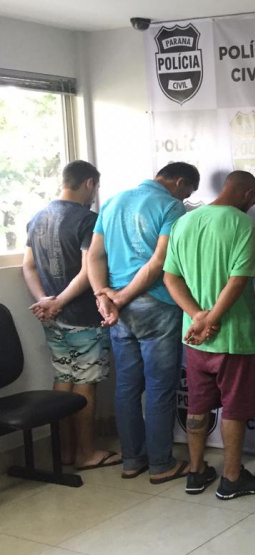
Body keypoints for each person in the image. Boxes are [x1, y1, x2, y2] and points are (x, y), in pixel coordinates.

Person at [162, 170, 255, 500]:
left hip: (194, 337)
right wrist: (211, 319)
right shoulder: (242, 224)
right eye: (253, 198)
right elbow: (238, 281)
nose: (252, 204)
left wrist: (198, 317)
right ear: (247, 193)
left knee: (197, 405)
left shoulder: (183, 222)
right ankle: (232, 478)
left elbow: (170, 278)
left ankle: (196, 472)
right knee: (234, 409)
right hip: (233, 337)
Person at [88, 162, 199, 483]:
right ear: (179, 182)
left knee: (127, 386)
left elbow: (94, 256)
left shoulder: (112, 202)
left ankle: (132, 460)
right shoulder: (171, 207)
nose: (185, 198)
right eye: (187, 192)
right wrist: (118, 298)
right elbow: (159, 262)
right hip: (156, 305)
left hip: (118, 309)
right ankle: (161, 464)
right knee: (160, 388)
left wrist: (103, 296)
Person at [22, 160, 121, 471]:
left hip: (52, 319)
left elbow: (28, 266)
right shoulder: (88, 219)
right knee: (86, 383)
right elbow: (89, 270)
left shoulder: (37, 218)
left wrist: (45, 301)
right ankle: (87, 453)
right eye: (96, 187)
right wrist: (60, 301)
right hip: (83, 317)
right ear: (88, 183)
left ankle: (64, 452)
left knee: (63, 378)